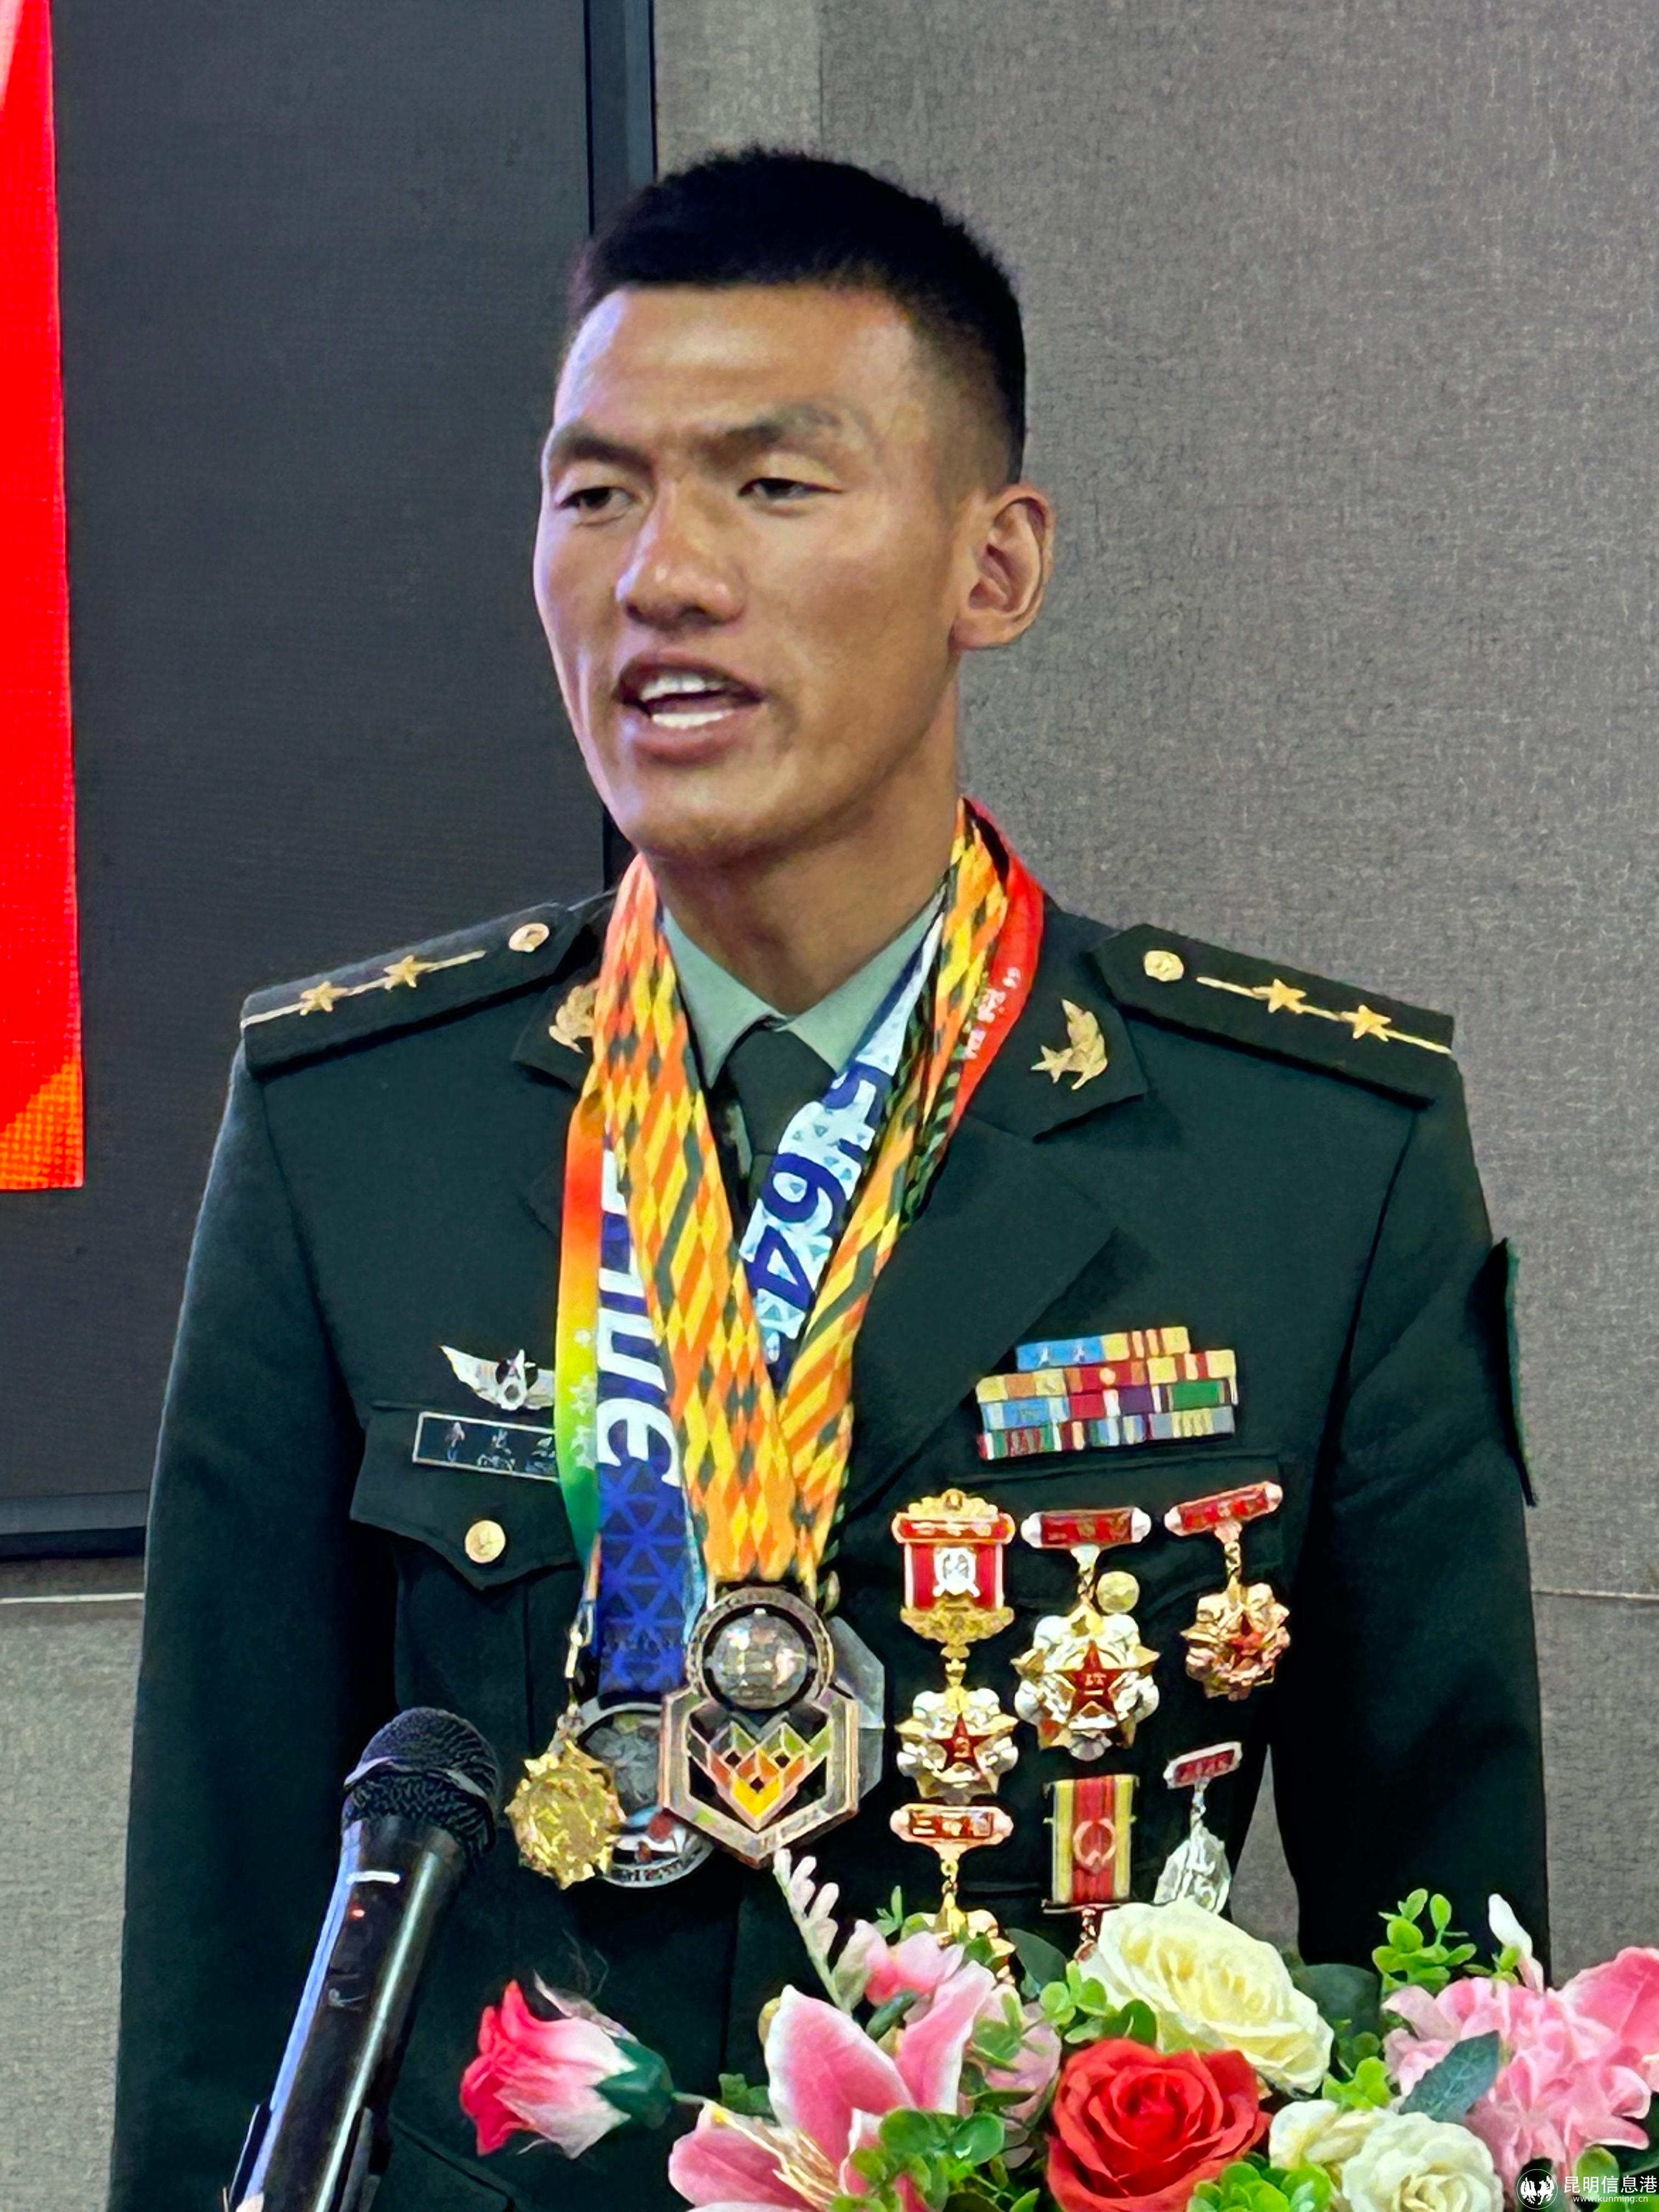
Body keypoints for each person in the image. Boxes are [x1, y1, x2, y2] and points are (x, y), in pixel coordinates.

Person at [109, 151, 1547, 2212]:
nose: (662, 577)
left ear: (995, 564)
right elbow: (231, 1966)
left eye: (772, 486)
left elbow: (1451, 2014)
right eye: (594, 493)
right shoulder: (358, 1127)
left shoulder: (1314, 1161)